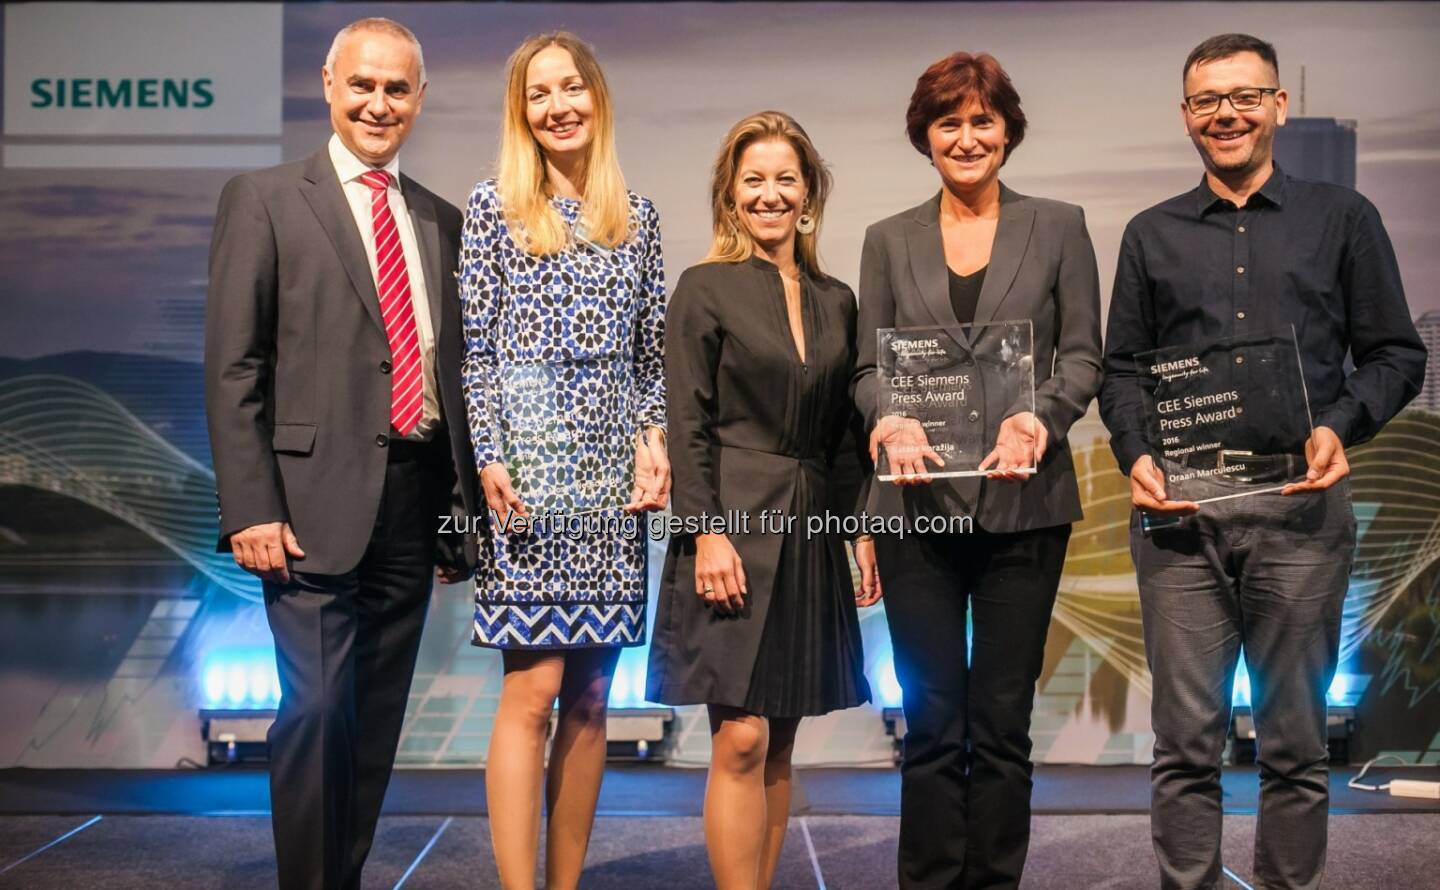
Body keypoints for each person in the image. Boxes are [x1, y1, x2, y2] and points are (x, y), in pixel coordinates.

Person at [1098, 33, 1426, 890]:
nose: (1227, 114)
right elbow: (1123, 371)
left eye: (1245, 96)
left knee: (1294, 745)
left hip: (1301, 514)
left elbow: (1395, 354)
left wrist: (1341, 427)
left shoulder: (1344, 220)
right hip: (1180, 523)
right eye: (1208, 101)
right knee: (1185, 747)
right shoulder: (1149, 234)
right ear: (1186, 116)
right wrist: (1135, 452)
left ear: (1278, 106)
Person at [204, 17, 477, 890]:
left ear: (420, 99)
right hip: (304, 508)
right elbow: (234, 364)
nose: (378, 103)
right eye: (362, 84)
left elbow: (455, 379)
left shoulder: (442, 218)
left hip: (412, 500)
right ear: (328, 84)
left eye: (397, 89)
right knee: (318, 712)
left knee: (372, 721)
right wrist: (249, 504)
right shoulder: (266, 198)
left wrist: (453, 514)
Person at [851, 51, 1103, 889]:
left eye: (982, 120)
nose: (967, 137)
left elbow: (1082, 357)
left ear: (1008, 130)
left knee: (1000, 720)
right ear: (925, 136)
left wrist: (1045, 415)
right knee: (928, 720)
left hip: (1024, 504)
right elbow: (865, 369)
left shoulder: (1060, 224)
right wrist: (887, 416)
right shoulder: (888, 239)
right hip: (915, 509)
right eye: (949, 122)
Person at [645, 111, 878, 890]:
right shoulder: (703, 288)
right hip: (733, 528)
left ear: (808, 192)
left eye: (786, 179)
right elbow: (688, 424)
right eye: (755, 180)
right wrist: (707, 534)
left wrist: (860, 534)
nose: (771, 194)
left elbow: (845, 437)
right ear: (730, 194)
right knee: (738, 740)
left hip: (810, 526)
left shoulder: (837, 298)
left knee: (781, 741)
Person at [459, 31, 669, 890]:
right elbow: (474, 351)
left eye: (570, 88)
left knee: (591, 700)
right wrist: (489, 455)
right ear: (522, 112)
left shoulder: (640, 216)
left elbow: (651, 358)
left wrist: (653, 446)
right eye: (538, 94)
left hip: (612, 489)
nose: (557, 106)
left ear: (597, 97)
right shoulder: (492, 208)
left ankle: (566, 882)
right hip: (529, 483)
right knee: (534, 691)